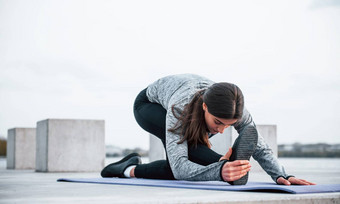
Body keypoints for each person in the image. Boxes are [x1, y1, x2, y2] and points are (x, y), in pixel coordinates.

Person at [101, 74, 315, 185]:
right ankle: (221, 164)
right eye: (218, 123)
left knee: (193, 165)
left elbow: (259, 145)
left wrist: (282, 175)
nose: (221, 131)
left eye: (229, 125)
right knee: (184, 166)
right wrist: (220, 171)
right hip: (149, 106)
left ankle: (124, 169)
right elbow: (179, 168)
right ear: (205, 106)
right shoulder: (180, 107)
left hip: (187, 112)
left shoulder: (237, 109)